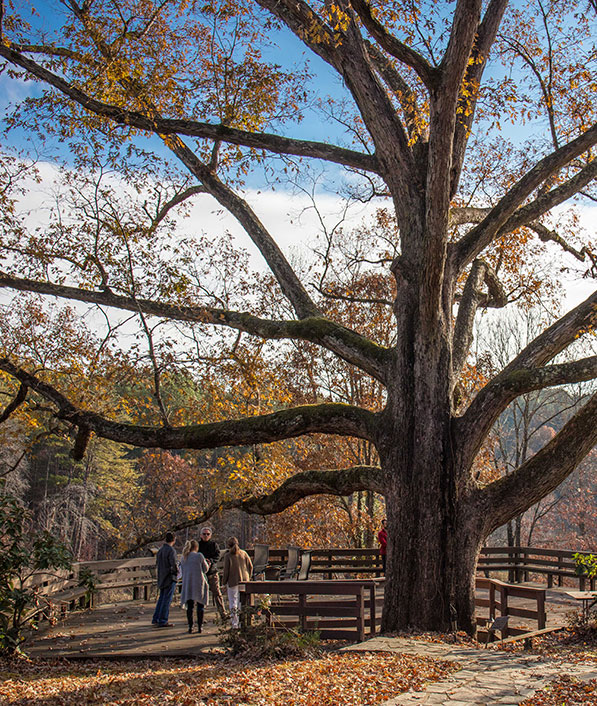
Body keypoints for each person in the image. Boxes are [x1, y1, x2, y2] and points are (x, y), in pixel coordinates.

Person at [222, 536, 253, 629]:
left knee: (233, 602)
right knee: (242, 602)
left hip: (233, 581)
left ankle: (235, 624)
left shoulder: (228, 556)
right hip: (244, 580)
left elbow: (226, 571)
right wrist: (248, 576)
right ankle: (243, 622)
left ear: (228, 545)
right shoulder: (244, 553)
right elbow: (251, 566)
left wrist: (224, 582)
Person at [179, 539, 209, 633]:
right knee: (200, 604)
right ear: (196, 547)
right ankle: (200, 626)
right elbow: (205, 569)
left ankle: (190, 626)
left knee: (190, 606)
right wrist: (208, 564)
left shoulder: (183, 557)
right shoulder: (199, 556)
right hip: (198, 582)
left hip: (188, 583)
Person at [198, 526, 226, 619]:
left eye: (208, 534)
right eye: (204, 534)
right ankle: (200, 617)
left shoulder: (214, 545)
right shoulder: (198, 545)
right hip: (201, 574)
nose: (206, 536)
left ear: (210, 535)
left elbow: (217, 556)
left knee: (217, 593)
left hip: (212, 572)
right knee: (199, 596)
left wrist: (210, 561)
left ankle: (223, 613)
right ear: (201, 535)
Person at [152, 531, 178, 627]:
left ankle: (156, 618)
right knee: (167, 599)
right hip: (169, 577)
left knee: (161, 598)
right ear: (174, 540)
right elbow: (174, 564)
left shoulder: (160, 550)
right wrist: (177, 571)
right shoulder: (171, 551)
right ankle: (163, 620)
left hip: (161, 576)